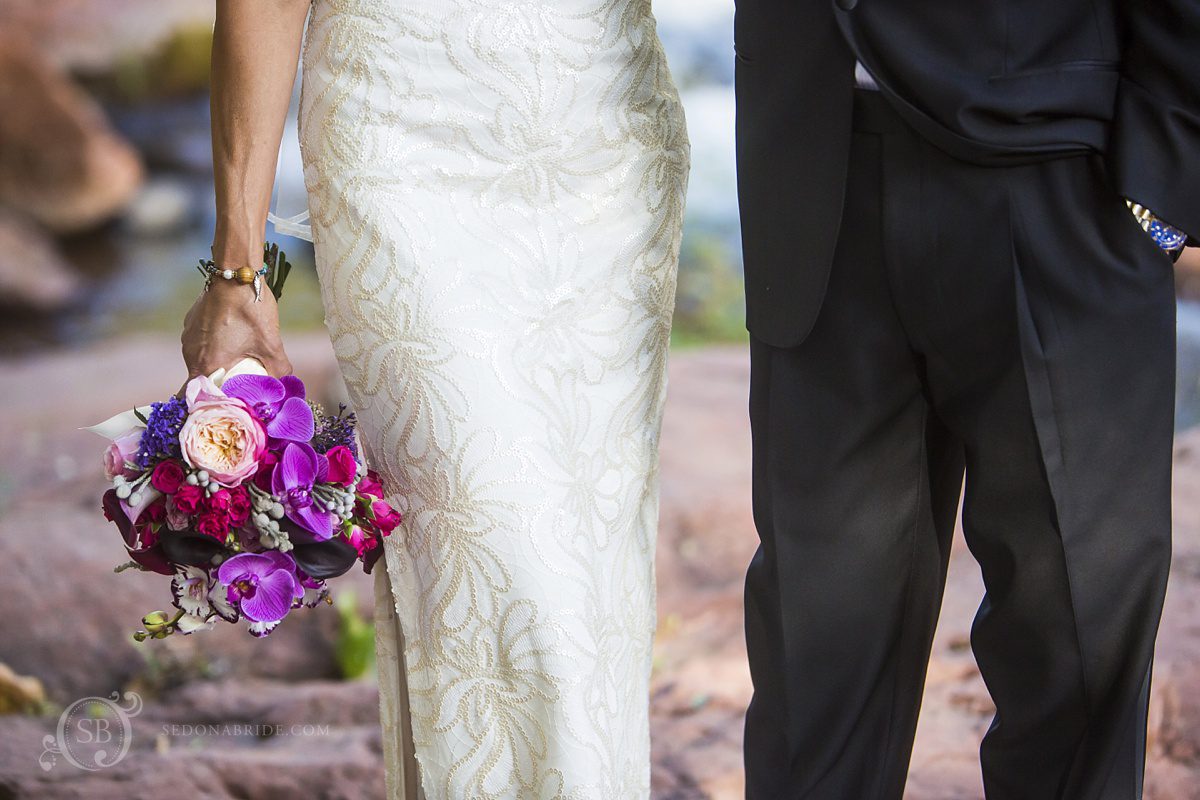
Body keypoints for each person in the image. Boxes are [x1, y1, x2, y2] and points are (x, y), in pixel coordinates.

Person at [180, 1, 689, 797]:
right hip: (400, 127)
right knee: (485, 553)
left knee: (595, 580)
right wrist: (239, 268)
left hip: (604, 133)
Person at [734, 0, 1197, 796]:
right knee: (812, 661)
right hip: (815, 177)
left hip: (1055, 177)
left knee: (1073, 637)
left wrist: (1163, 195)